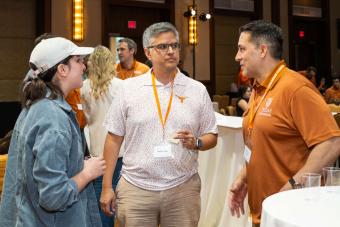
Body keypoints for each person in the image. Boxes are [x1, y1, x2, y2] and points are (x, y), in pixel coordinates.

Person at [100, 22, 218, 227]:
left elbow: (212, 135)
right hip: (136, 188)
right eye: (163, 47)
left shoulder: (196, 90)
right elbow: (113, 138)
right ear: (148, 52)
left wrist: (197, 142)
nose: (171, 51)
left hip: (183, 188)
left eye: (175, 45)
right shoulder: (129, 89)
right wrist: (106, 186)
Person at [228, 20, 340, 227]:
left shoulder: (296, 88)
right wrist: (245, 177)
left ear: (262, 50)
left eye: (242, 49)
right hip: (264, 211)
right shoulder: (259, 88)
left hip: (293, 214)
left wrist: (293, 185)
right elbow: (260, 141)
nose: (237, 57)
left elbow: (331, 143)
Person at [0, 37, 106, 227]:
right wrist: (87, 173)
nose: (84, 66)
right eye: (78, 61)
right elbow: (53, 197)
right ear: (62, 69)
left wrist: (75, 165)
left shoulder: (37, 107)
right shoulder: (53, 118)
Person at [80, 45, 123, 227]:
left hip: (97, 148)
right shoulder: (120, 86)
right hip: (119, 149)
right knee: (119, 198)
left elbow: (87, 118)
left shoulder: (83, 87)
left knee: (101, 198)